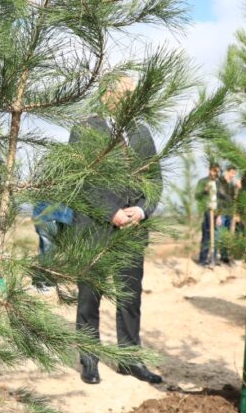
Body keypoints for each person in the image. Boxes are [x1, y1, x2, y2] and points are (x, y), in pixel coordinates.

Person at [73, 80, 163, 385]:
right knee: (89, 297)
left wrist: (141, 210)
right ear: (108, 95)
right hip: (94, 228)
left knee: (130, 297)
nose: (131, 99)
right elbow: (83, 180)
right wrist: (110, 211)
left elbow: (155, 179)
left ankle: (128, 360)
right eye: (125, 94)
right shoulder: (85, 128)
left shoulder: (141, 132)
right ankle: (88, 358)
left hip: (133, 229)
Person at [31, 202, 74, 291]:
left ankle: (43, 279)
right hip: (51, 215)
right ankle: (43, 280)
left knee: (48, 247)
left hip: (60, 215)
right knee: (48, 247)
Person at [195, 163, 227, 266]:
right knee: (206, 234)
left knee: (217, 235)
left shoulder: (218, 184)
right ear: (209, 170)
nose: (215, 173)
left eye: (217, 171)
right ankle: (203, 259)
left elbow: (222, 200)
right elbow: (197, 195)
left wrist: (220, 215)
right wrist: (205, 190)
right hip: (206, 211)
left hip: (216, 212)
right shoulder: (203, 182)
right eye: (213, 171)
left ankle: (213, 258)